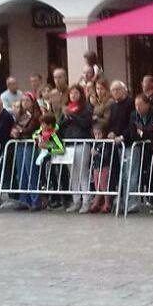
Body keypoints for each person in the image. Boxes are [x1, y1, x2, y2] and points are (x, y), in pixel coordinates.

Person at [59, 84, 94, 213]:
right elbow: (60, 126)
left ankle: (86, 201)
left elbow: (85, 123)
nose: (73, 95)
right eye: (71, 93)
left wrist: (72, 116)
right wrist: (67, 117)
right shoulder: (67, 109)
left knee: (82, 173)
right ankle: (76, 200)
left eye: (76, 93)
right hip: (69, 143)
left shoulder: (85, 108)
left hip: (81, 143)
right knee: (73, 174)